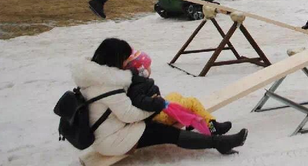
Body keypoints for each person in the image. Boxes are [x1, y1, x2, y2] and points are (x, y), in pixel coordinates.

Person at [72, 38, 247, 157]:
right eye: (125, 59)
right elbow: (129, 115)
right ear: (115, 59)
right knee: (166, 133)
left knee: (164, 123)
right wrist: (157, 105)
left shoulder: (95, 78)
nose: (127, 63)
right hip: (113, 140)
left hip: (109, 131)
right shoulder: (107, 85)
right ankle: (218, 143)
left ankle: (215, 137)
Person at [123, 50, 232, 135]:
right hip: (158, 117)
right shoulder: (137, 86)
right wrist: (156, 101)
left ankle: (189, 121)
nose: (150, 69)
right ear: (142, 71)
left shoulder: (137, 82)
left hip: (156, 111)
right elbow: (141, 101)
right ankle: (212, 127)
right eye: (148, 67)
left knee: (174, 95)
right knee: (192, 102)